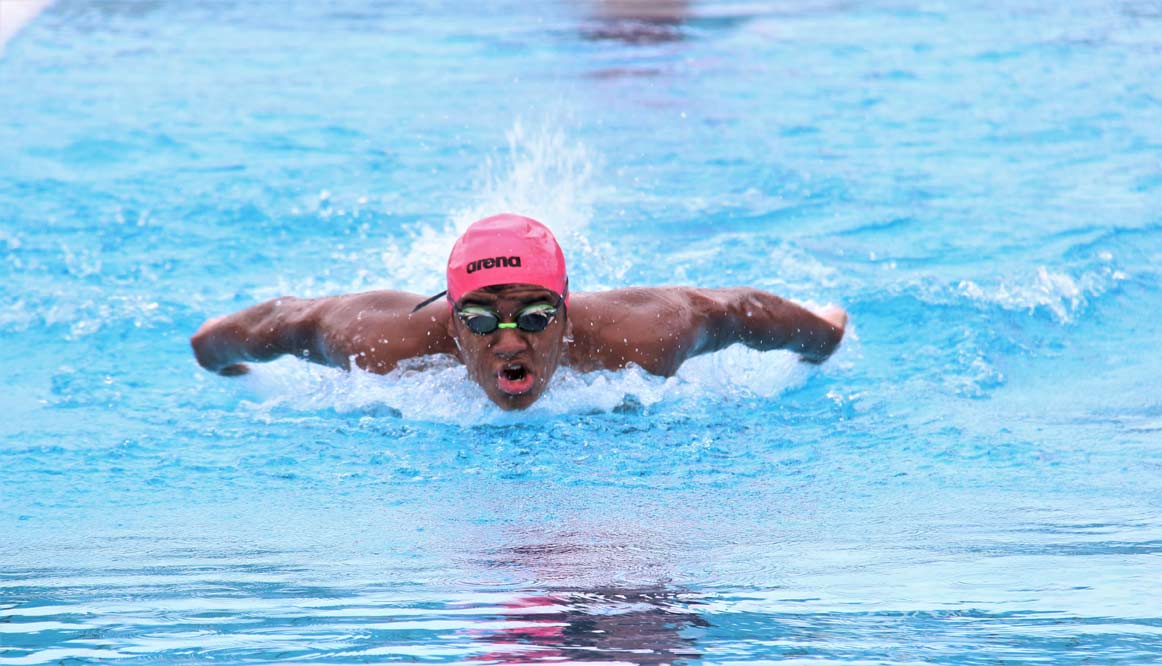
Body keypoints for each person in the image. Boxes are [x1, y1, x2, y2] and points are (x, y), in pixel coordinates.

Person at [190, 213, 848, 410]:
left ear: (566, 315)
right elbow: (275, 325)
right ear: (450, 321)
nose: (508, 342)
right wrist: (217, 357)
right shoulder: (381, 342)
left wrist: (821, 337)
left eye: (534, 318)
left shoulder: (640, 337)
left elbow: (736, 311)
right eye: (480, 320)